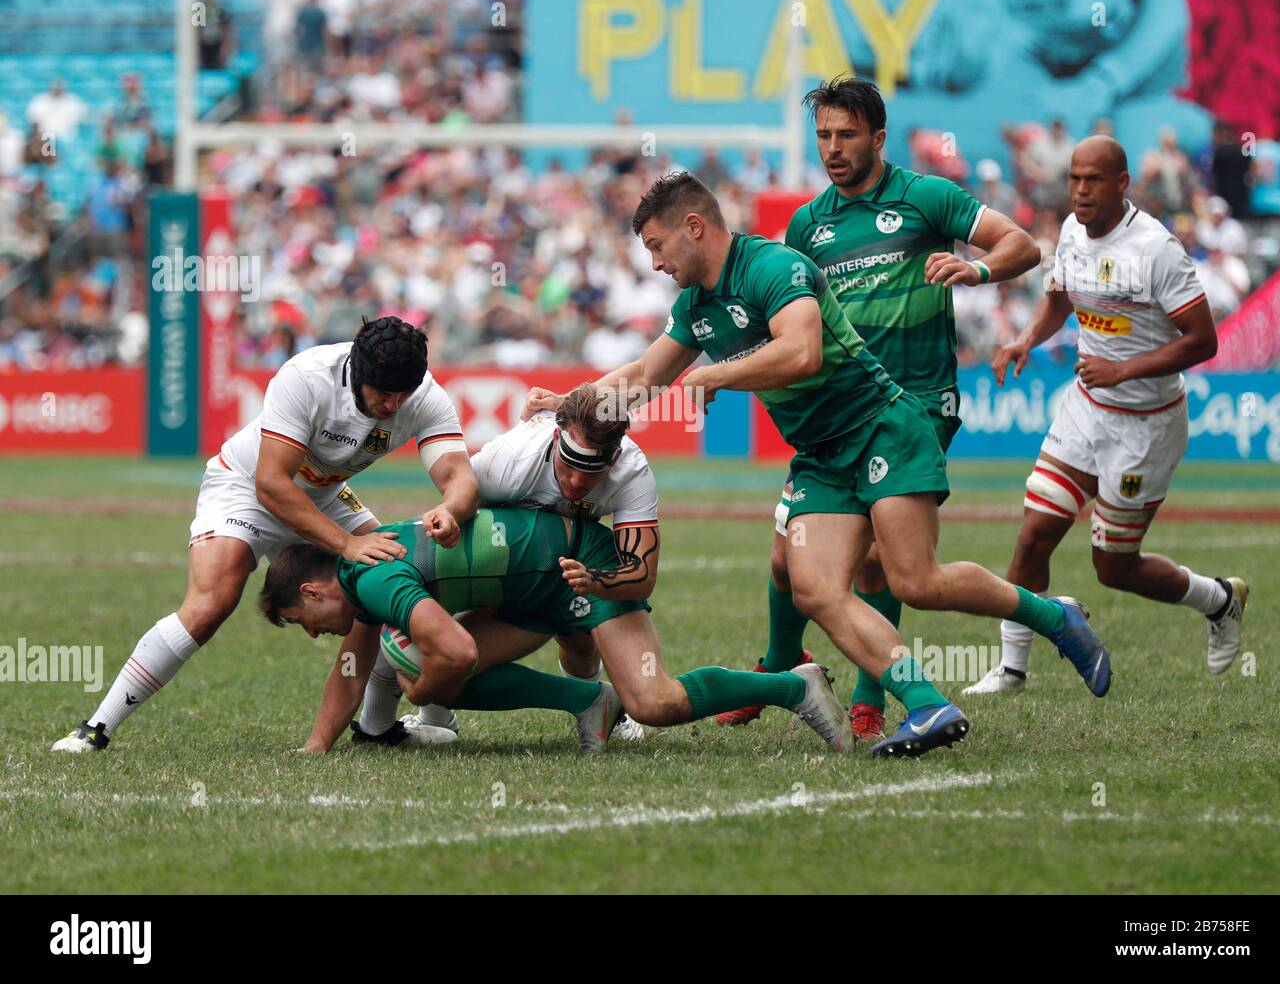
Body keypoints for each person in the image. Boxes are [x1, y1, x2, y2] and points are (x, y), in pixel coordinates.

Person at [531, 172, 1112, 758]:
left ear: (693, 227)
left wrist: (717, 374)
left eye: (656, 246)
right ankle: (929, 704)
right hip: (822, 456)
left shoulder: (773, 266)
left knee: (916, 580)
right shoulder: (696, 306)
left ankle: (1054, 616)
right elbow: (644, 375)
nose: (654, 263)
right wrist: (575, 402)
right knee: (815, 588)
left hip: (880, 426)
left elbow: (803, 352)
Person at [711, 77, 1040, 739]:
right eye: (824, 135)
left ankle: (866, 694)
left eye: (847, 135)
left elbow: (1022, 247)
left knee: (880, 563)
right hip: (839, 410)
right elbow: (791, 310)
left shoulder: (926, 198)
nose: (833, 148)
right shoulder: (808, 224)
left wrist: (974, 270)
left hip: (913, 404)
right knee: (787, 557)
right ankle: (786, 666)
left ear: (879, 138)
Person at [52, 317, 478, 753]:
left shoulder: (421, 395)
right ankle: (96, 727)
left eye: (402, 396)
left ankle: (381, 726)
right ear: (358, 372)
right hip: (245, 484)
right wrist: (347, 545)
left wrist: (449, 509)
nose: (393, 406)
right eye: (383, 395)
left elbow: (459, 477)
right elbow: (272, 484)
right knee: (213, 600)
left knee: (396, 574)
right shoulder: (307, 378)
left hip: (325, 493)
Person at [966, 137, 1246, 695]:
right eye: (1073, 179)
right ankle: (1013, 668)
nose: (1080, 191)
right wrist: (1024, 340)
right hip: (1087, 410)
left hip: (1147, 424)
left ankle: (1220, 599)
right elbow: (1061, 297)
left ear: (1122, 183)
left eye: (1093, 180)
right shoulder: (1071, 231)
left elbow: (1203, 341)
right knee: (1033, 534)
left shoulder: (1156, 250)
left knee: (1113, 567)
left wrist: (1125, 371)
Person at [268, 508, 854, 754]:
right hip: (529, 594)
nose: (315, 635)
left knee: (654, 702)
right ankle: (588, 701)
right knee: (425, 666)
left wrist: (421, 696)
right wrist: (317, 747)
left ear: (313, 591)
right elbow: (350, 668)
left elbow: (457, 647)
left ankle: (793, 686)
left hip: (582, 571)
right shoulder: (360, 578)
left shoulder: (371, 581)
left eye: (303, 623)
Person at [395, 382, 661, 743]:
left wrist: (594, 581)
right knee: (455, 612)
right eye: (570, 465)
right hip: (510, 539)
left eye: (592, 471)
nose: (577, 482)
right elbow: (466, 527)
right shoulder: (505, 463)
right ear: (555, 439)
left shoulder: (631, 471)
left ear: (613, 458)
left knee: (580, 638)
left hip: (575, 554)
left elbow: (642, 574)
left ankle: (602, 709)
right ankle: (433, 716)